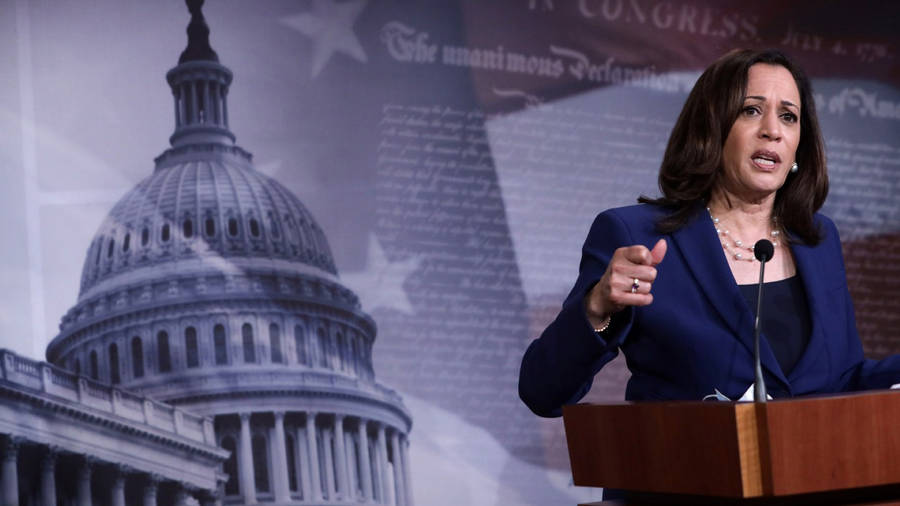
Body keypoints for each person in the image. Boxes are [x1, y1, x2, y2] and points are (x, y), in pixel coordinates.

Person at [518, 48, 900, 419]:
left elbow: (845, 381)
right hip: (685, 477)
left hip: (810, 476)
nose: (772, 131)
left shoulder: (817, 239)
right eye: (751, 110)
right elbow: (542, 391)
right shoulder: (638, 237)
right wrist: (597, 308)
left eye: (788, 116)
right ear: (712, 128)